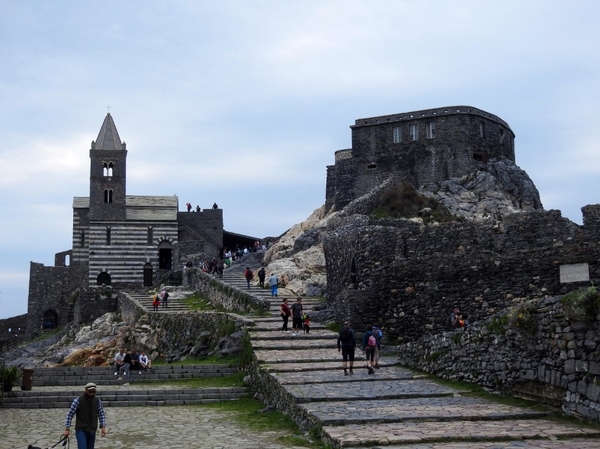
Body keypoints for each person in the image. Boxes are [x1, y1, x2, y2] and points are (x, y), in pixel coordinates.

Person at [63, 382, 107, 448]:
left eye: (94, 392)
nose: (92, 393)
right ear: (85, 390)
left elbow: (101, 414)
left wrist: (103, 426)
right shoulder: (78, 401)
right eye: (90, 392)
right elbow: (70, 415)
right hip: (81, 429)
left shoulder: (97, 401)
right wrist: (67, 429)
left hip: (92, 430)